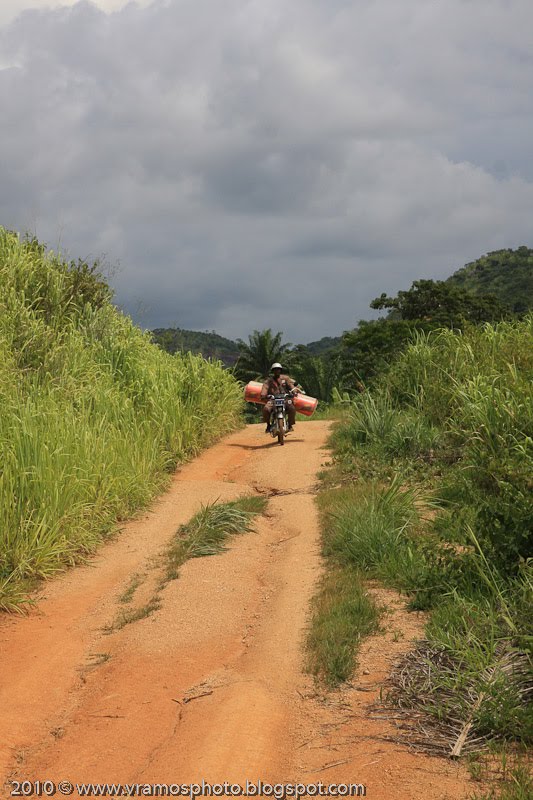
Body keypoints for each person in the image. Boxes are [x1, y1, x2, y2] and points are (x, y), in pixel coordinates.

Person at [260, 363, 299, 433]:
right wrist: (263, 395)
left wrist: (294, 391)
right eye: (275, 370)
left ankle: (290, 424)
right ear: (272, 371)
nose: (277, 371)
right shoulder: (268, 381)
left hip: (285, 399)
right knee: (266, 409)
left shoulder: (285, 378)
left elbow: (291, 386)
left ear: (280, 370)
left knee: (292, 408)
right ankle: (268, 425)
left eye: (278, 369)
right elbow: (265, 388)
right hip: (273, 400)